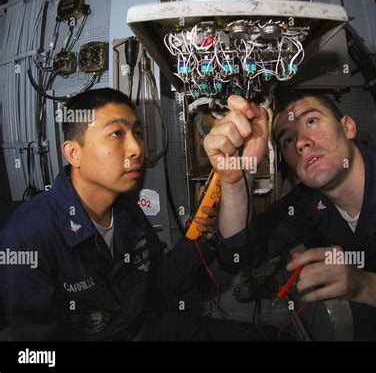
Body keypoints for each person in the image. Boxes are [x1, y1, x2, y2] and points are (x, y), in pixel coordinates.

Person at [204, 91, 376, 340]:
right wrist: (237, 179)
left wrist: (363, 285)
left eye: (312, 121)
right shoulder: (309, 202)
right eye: (287, 139)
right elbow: (238, 255)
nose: (301, 142)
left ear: (348, 127)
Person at [0, 88, 227, 341]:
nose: (137, 149)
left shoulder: (126, 210)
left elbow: (159, 282)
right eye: (117, 133)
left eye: (138, 134)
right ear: (74, 153)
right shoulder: (28, 236)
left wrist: (199, 234)